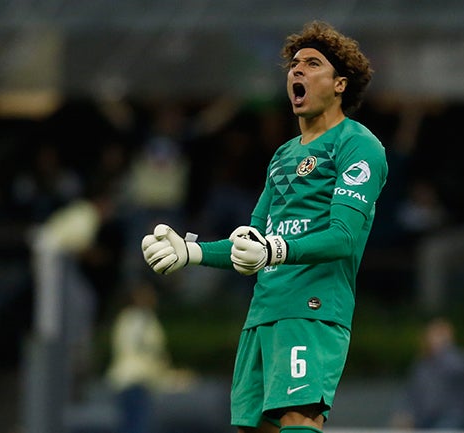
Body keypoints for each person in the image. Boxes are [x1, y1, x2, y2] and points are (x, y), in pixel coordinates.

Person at [141, 20, 388, 433]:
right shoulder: (283, 156)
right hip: (263, 313)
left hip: (312, 310)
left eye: (312, 64)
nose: (297, 71)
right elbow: (251, 241)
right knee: (254, 428)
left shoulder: (357, 144)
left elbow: (343, 238)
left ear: (340, 83)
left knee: (298, 419)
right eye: (294, 64)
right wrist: (192, 252)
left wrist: (274, 251)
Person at [106, 279, 196, 433]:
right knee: (136, 426)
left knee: (132, 424)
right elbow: (144, 349)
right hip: (135, 381)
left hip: (134, 381)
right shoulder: (138, 319)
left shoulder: (131, 318)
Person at [389, 317, 464, 430]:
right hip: (423, 419)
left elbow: (462, 369)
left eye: (439, 335)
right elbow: (411, 393)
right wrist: (403, 412)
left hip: (450, 419)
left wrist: (444, 349)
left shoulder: (460, 358)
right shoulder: (421, 364)